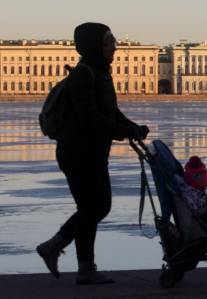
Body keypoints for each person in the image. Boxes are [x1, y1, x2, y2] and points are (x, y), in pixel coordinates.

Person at [36, 22, 149, 285]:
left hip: (92, 152)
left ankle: (78, 263)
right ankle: (61, 252)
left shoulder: (100, 73)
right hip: (77, 153)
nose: (115, 47)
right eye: (109, 42)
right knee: (94, 207)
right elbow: (90, 118)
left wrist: (131, 127)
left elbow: (109, 111)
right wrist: (123, 131)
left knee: (93, 207)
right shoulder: (83, 75)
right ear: (94, 45)